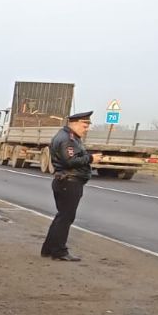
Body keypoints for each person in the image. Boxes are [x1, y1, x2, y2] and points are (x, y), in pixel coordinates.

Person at [41, 111, 100, 261]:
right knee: (65, 218)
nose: (86, 128)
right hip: (69, 182)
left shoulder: (68, 137)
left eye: (88, 125)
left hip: (66, 181)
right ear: (73, 123)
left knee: (61, 217)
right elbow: (71, 161)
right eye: (84, 124)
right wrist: (91, 158)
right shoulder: (67, 139)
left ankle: (49, 249)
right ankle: (59, 252)